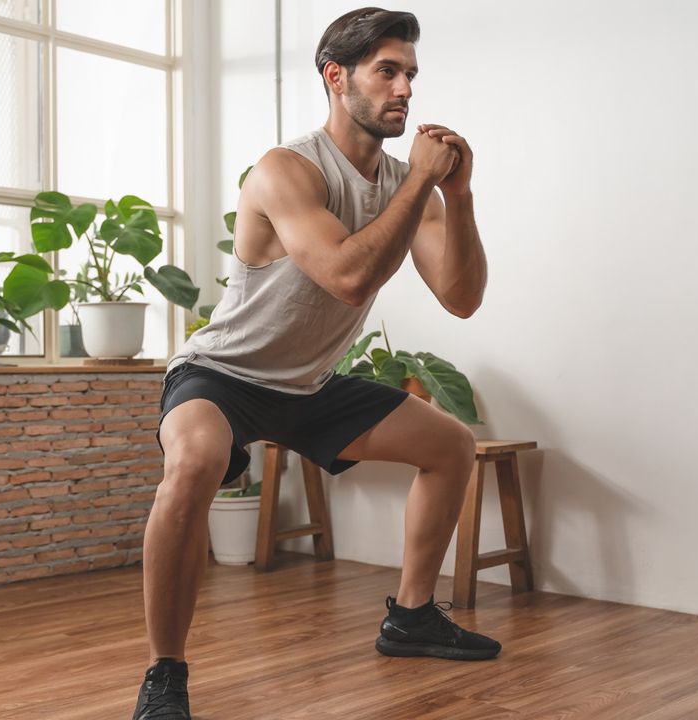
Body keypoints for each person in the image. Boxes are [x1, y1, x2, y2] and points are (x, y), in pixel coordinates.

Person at [131, 8, 494, 719]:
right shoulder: (286, 170)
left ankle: (412, 617)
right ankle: (164, 674)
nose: (404, 90)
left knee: (450, 446)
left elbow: (461, 297)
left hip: (307, 385)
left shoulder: (404, 182)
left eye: (410, 74)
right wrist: (421, 183)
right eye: (386, 71)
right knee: (195, 461)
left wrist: (460, 194)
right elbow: (347, 277)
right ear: (336, 77)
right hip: (221, 377)